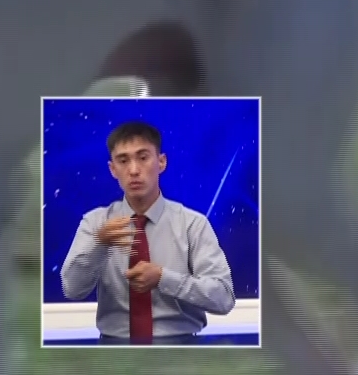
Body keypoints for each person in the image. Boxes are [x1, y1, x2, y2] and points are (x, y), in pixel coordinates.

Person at [58, 120, 237, 344]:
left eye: (143, 158)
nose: (133, 170)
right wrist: (98, 245)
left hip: (181, 346)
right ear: (113, 169)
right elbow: (72, 290)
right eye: (123, 161)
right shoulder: (95, 223)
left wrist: (164, 278)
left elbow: (223, 298)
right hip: (113, 347)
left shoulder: (192, 224)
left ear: (161, 162)